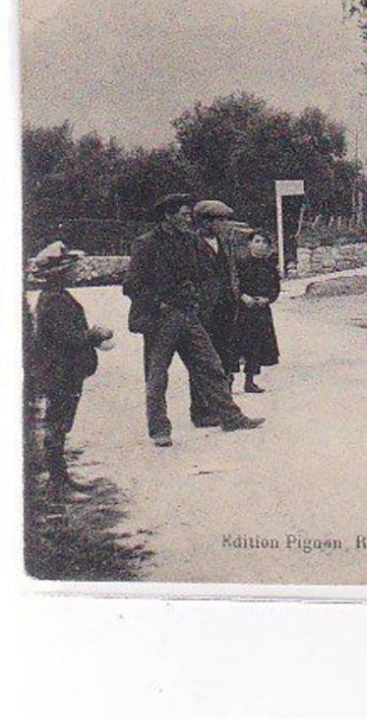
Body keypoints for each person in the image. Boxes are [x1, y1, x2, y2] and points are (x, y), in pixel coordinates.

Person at [123, 192, 264, 446]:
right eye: (184, 214)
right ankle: (159, 430)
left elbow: (208, 272)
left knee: (211, 367)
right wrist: (160, 303)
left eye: (190, 215)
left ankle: (231, 417)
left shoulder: (190, 241)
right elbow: (132, 285)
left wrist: (198, 301)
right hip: (160, 320)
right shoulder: (145, 244)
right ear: (168, 216)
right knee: (157, 377)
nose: (189, 219)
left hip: (188, 316)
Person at [30, 243, 113, 496]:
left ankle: (61, 478)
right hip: (61, 371)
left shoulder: (54, 295)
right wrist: (95, 335)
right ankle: (57, 483)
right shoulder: (56, 300)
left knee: (60, 423)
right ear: (59, 273)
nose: (74, 272)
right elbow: (69, 338)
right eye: (69, 269)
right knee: (58, 424)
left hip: (63, 370)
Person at [194, 199, 242, 394]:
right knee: (203, 358)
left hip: (226, 306)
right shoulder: (191, 243)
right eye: (220, 220)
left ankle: (225, 398)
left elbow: (232, 270)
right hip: (204, 310)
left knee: (226, 354)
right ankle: (203, 408)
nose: (224, 225)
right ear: (205, 222)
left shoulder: (226, 242)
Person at [232, 231, 281, 394]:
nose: (260, 245)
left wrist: (267, 299)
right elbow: (233, 285)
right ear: (249, 244)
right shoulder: (240, 264)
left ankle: (250, 381)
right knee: (236, 344)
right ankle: (228, 382)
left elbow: (275, 288)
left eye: (264, 242)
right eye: (257, 241)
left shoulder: (270, 267)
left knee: (257, 344)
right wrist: (243, 297)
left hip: (261, 311)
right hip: (241, 310)